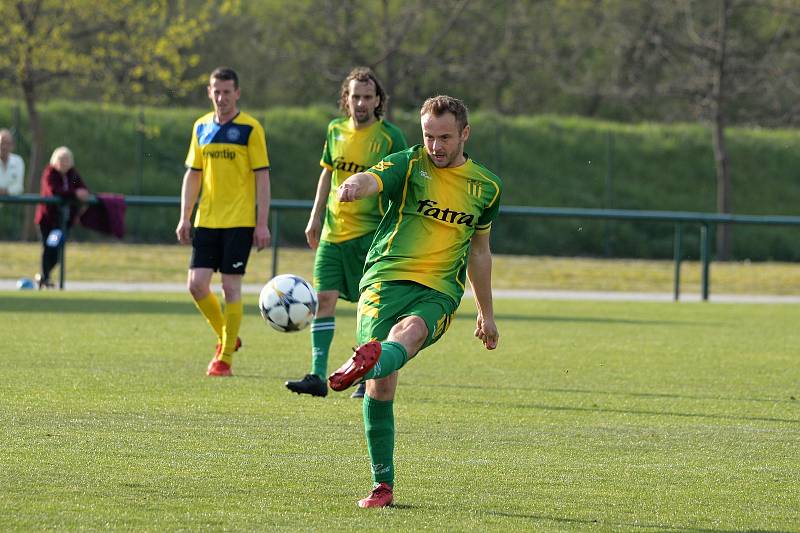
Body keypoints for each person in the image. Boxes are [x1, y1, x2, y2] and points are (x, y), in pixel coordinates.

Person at [327, 95, 502, 508]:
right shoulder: (409, 163)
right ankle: (382, 485)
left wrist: (486, 313)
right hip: (384, 280)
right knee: (382, 384)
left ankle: (370, 357)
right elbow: (372, 178)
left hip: (438, 290)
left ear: (464, 134)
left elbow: (480, 252)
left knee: (412, 332)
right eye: (428, 136)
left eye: (444, 137)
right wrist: (354, 186)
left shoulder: (486, 187)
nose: (436, 146)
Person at [285, 67, 407, 399]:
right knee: (323, 299)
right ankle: (317, 375)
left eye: (368, 96)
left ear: (378, 100)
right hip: (332, 232)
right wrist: (314, 218)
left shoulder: (390, 137)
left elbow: (401, 182)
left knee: (371, 305)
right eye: (355, 96)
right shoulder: (335, 130)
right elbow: (327, 175)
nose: (361, 102)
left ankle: (365, 374)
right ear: (346, 98)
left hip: (371, 234)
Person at [176, 67, 271, 377]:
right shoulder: (201, 127)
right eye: (216, 91)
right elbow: (193, 174)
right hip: (207, 219)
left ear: (237, 93)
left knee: (231, 287)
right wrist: (185, 216)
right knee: (196, 285)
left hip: (239, 221)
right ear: (209, 92)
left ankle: (225, 358)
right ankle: (227, 335)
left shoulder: (250, 128)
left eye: (227, 92)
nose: (221, 97)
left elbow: (262, 178)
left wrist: (261, 223)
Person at [33, 146, 90, 289]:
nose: (64, 163)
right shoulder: (50, 173)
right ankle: (45, 278)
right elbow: (54, 191)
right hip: (48, 220)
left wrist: (82, 193)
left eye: (67, 160)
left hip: (63, 221)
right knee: (49, 247)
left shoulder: (73, 175)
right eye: (61, 160)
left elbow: (82, 188)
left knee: (57, 251)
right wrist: (74, 194)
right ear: (55, 161)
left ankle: (43, 276)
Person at [0, 129, 25, 196]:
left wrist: (5, 192)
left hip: (13, 205)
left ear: (12, 146)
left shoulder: (18, 161)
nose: (4, 147)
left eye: (7, 143)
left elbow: (19, 187)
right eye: (2, 143)